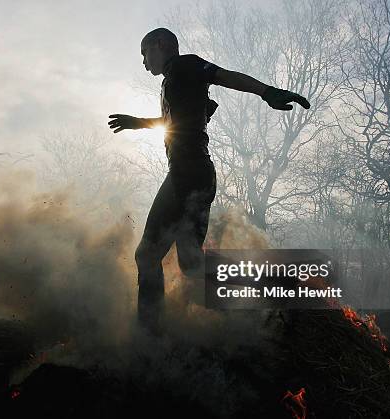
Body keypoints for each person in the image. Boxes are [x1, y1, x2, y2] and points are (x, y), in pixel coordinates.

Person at [108, 28, 310, 333]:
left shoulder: (185, 65)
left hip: (188, 174)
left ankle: (148, 339)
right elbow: (172, 123)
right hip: (196, 175)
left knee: (147, 255)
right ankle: (273, 281)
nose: (143, 62)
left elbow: (225, 75)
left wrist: (266, 91)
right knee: (191, 264)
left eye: (144, 52)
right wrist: (138, 123)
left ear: (160, 45)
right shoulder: (173, 81)